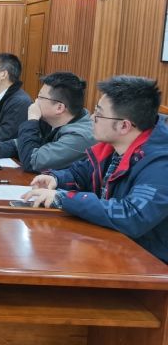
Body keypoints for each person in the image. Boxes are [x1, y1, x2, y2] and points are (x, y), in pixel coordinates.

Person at [23, 76, 168, 263]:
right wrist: (56, 179)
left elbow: (132, 215)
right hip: (113, 247)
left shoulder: (160, 163)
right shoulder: (113, 147)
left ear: (124, 125)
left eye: (98, 114)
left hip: (150, 263)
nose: (92, 118)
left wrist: (65, 198)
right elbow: (80, 173)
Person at [0, 72, 95, 172]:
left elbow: (32, 162)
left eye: (41, 97)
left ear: (59, 107)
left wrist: (32, 120)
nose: (36, 101)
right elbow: (30, 142)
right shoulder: (54, 121)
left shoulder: (79, 136)